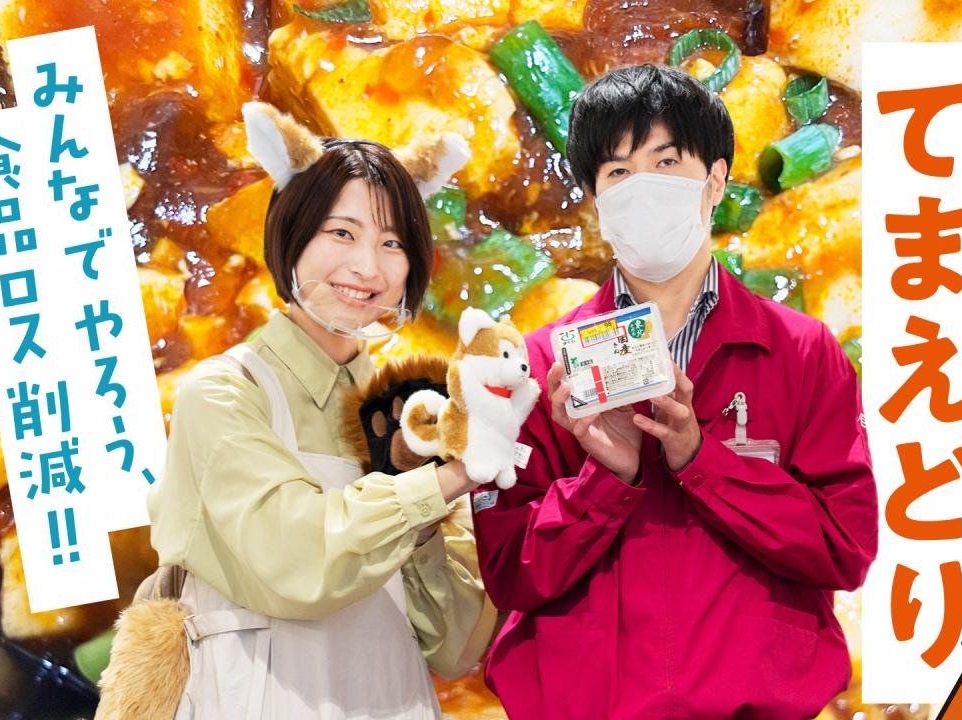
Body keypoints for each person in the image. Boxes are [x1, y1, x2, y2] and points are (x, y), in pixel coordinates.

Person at [472, 63, 878, 719]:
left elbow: (845, 549)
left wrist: (700, 458)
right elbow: (510, 576)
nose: (642, 190)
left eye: (666, 164)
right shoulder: (541, 365)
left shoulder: (802, 351)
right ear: (595, 198)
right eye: (618, 173)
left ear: (715, 181)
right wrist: (607, 478)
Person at [147, 122, 494, 719]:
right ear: (292, 234)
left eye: (393, 243)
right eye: (342, 232)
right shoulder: (223, 394)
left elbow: (457, 645)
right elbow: (300, 565)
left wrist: (426, 523)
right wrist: (443, 483)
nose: (368, 267)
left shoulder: (412, 417)